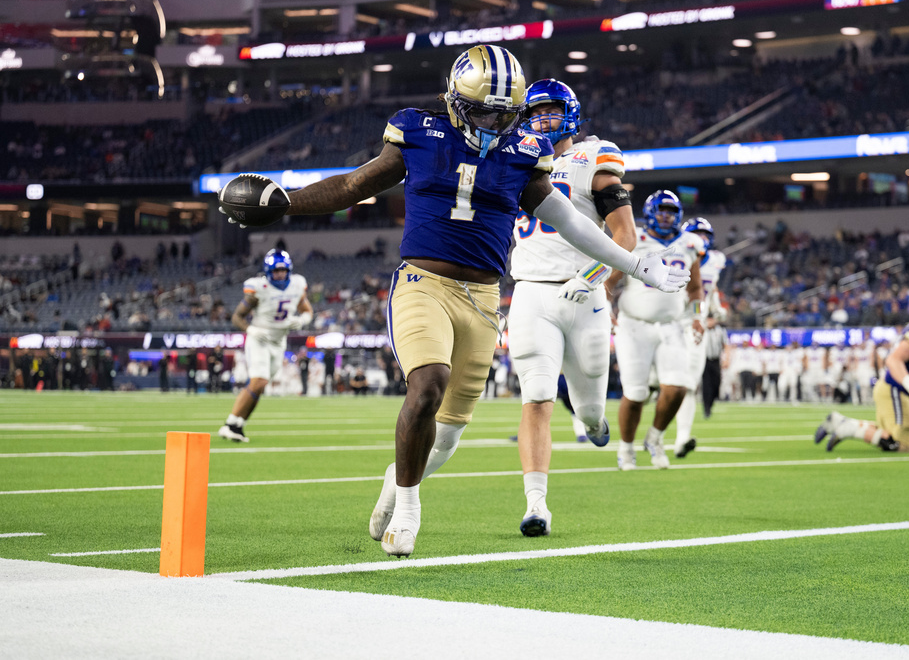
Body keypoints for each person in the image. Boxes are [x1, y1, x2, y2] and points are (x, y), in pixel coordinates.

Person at [220, 45, 687, 557]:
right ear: (456, 98)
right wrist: (288, 203)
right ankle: (409, 503)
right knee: (427, 385)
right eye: (483, 109)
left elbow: (572, 222)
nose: (493, 121)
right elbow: (354, 184)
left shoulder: (523, 151)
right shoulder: (419, 131)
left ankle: (392, 484)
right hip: (424, 282)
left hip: (485, 297)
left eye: (503, 113)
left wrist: (635, 263)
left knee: (446, 435)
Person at [507, 78, 637, 537]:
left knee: (587, 410)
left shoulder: (593, 158)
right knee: (537, 396)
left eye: (551, 111)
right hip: (530, 292)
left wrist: (591, 278)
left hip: (585, 296)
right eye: (535, 112)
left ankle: (595, 421)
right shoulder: (512, 157)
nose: (543, 119)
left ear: (572, 115)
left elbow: (625, 237)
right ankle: (536, 505)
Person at [614, 190, 705, 471]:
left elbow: (695, 289)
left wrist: (698, 317)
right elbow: (610, 279)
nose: (666, 215)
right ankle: (626, 449)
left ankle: (655, 438)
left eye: (670, 210)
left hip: (672, 325)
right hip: (634, 324)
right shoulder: (635, 238)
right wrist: (606, 309)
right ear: (651, 212)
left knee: (678, 387)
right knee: (636, 393)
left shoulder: (690, 243)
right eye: (661, 210)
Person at [814, 291, 909, 453]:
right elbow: (892, 360)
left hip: (895, 390)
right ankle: (846, 428)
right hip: (894, 389)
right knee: (897, 444)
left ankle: (839, 421)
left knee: (897, 438)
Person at [217, 249, 312, 443]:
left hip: (279, 341)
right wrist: (250, 330)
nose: (279, 274)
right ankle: (229, 424)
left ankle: (238, 425)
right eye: (276, 271)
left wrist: (302, 320)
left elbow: (307, 310)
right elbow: (237, 317)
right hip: (259, 339)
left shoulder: (297, 285)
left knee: (260, 386)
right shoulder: (258, 287)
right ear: (268, 271)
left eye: (283, 270)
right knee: (258, 381)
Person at [673, 217, 727, 458]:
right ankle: (654, 434)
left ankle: (682, 437)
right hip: (671, 323)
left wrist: (715, 307)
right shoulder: (676, 255)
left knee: (689, 384)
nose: (702, 239)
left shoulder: (715, 261)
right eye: (697, 234)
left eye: (705, 235)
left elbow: (710, 287)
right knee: (651, 386)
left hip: (697, 326)